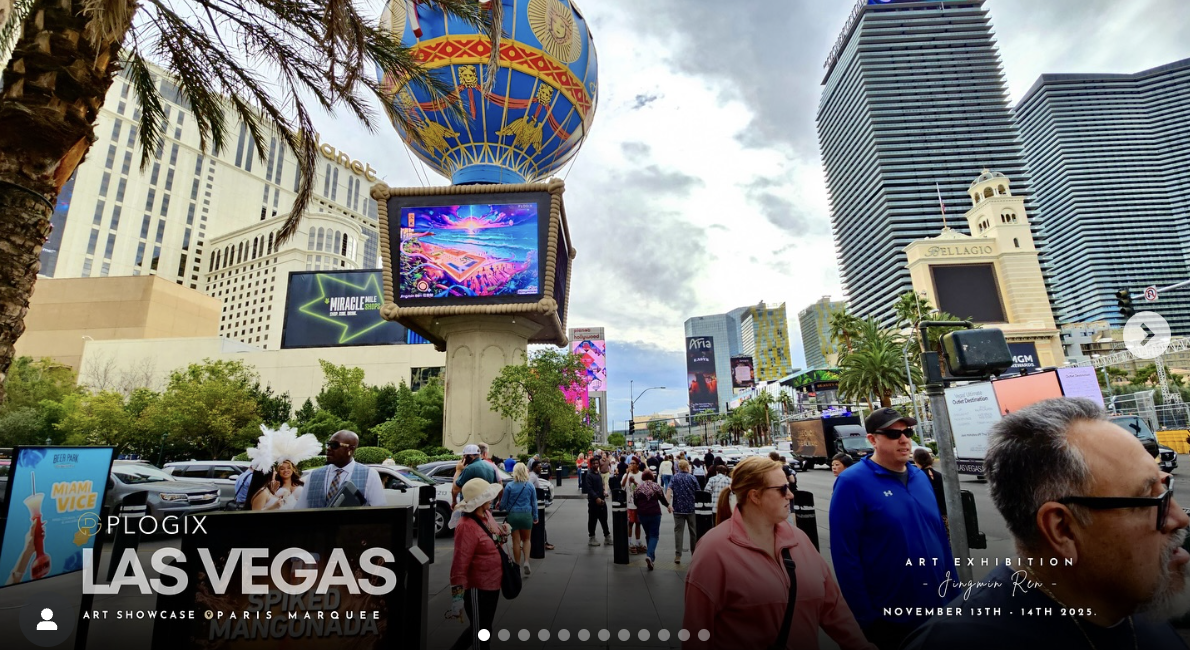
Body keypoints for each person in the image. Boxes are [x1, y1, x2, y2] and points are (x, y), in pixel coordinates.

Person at [904, 397, 1190, 650]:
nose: (1180, 518)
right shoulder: (953, 642)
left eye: (1166, 487)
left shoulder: (1137, 602)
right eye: (1149, 498)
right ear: (1062, 530)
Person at [683, 456, 874, 650]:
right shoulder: (713, 550)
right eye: (782, 489)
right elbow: (696, 632)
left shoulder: (800, 540)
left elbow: (834, 610)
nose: (790, 495)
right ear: (755, 496)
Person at [828, 408, 951, 649]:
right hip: (892, 620)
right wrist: (867, 619)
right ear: (872, 439)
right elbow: (845, 555)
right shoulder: (851, 482)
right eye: (893, 434)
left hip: (939, 610)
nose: (904, 440)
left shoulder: (920, 477)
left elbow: (940, 540)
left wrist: (954, 597)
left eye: (907, 432)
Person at [447, 478, 508, 650]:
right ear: (479, 501)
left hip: (493, 584)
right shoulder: (466, 526)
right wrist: (457, 598)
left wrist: (503, 533)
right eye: (488, 497)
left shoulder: (487, 515)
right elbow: (459, 564)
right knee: (480, 632)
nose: (491, 499)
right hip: (477, 588)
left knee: (483, 628)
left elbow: (494, 538)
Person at [296, 430, 386, 508]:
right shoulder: (314, 475)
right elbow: (300, 509)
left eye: (334, 445)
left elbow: (379, 510)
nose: (328, 448)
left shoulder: (370, 475)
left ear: (350, 449)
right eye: (328, 444)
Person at [499, 463, 538, 577]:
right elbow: (534, 503)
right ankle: (526, 561)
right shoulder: (530, 485)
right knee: (526, 539)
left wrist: (500, 506)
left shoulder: (510, 486)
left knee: (516, 541)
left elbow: (503, 504)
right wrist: (535, 517)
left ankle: (517, 566)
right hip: (526, 515)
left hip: (513, 515)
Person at [632, 469, 670, 571]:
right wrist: (668, 506)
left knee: (648, 534)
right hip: (654, 513)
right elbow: (662, 499)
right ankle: (649, 555)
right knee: (654, 535)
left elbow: (635, 501)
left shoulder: (638, 488)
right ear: (652, 477)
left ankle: (651, 559)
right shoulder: (656, 486)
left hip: (642, 514)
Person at [669, 459, 700, 564]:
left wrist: (668, 504)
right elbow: (698, 491)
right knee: (693, 531)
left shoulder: (675, 477)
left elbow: (669, 489)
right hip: (691, 508)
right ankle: (694, 553)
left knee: (678, 531)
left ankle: (678, 555)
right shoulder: (692, 478)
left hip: (678, 508)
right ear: (687, 467)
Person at [912, 448, 946, 527]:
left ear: (917, 461)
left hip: (927, 517)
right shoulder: (939, 475)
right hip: (943, 515)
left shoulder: (917, 476)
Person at [586, 453, 612, 546]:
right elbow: (589, 489)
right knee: (592, 520)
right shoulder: (589, 475)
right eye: (594, 463)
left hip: (602, 500)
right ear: (591, 464)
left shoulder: (599, 473)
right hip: (593, 501)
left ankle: (607, 537)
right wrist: (596, 498)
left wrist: (604, 491)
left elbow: (601, 485)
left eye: (597, 463)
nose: (595, 465)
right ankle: (592, 538)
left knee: (604, 519)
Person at [623, 459, 645, 553]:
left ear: (637, 465)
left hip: (639, 504)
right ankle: (629, 542)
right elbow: (622, 486)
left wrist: (634, 482)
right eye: (630, 463)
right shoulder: (626, 475)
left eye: (633, 463)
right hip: (630, 504)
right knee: (630, 523)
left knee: (638, 523)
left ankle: (638, 542)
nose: (631, 465)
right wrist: (627, 474)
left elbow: (644, 489)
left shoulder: (641, 475)